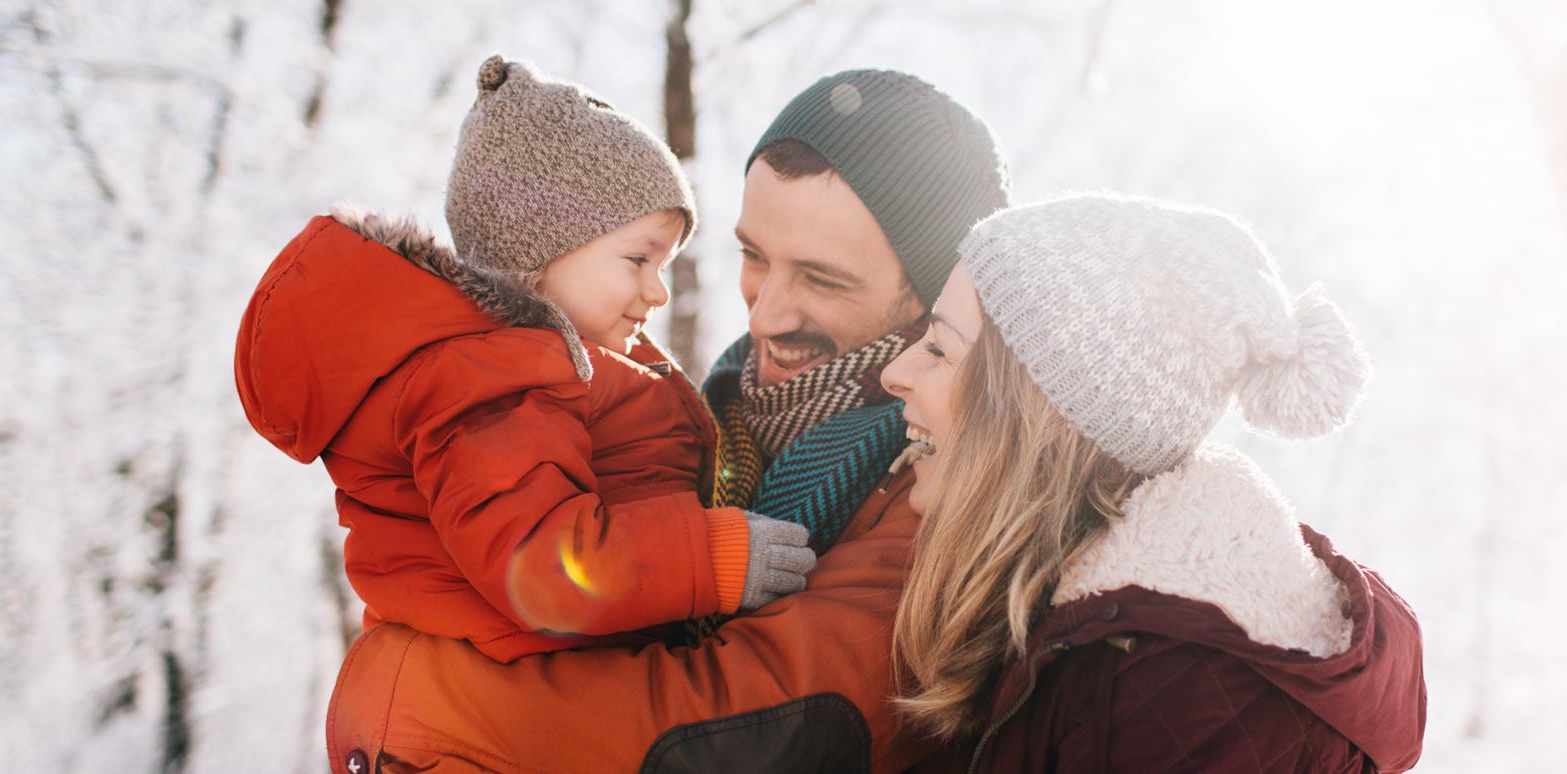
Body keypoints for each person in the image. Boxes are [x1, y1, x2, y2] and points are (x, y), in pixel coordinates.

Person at [317, 69, 1012, 772]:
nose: (766, 313)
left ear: (932, 299)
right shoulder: (712, 419)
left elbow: (760, 734)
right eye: (753, 256)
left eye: (823, 279)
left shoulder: (943, 483)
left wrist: (413, 693)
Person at [236, 55, 818, 666]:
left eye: (665, 267)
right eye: (638, 261)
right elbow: (540, 562)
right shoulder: (489, 385)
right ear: (542, 249)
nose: (659, 292)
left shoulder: (552, 365)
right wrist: (711, 556)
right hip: (518, 690)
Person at [881, 194, 1427, 772]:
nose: (896, 373)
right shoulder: (1068, 628)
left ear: (1036, 417)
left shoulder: (1182, 701)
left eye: (939, 348)